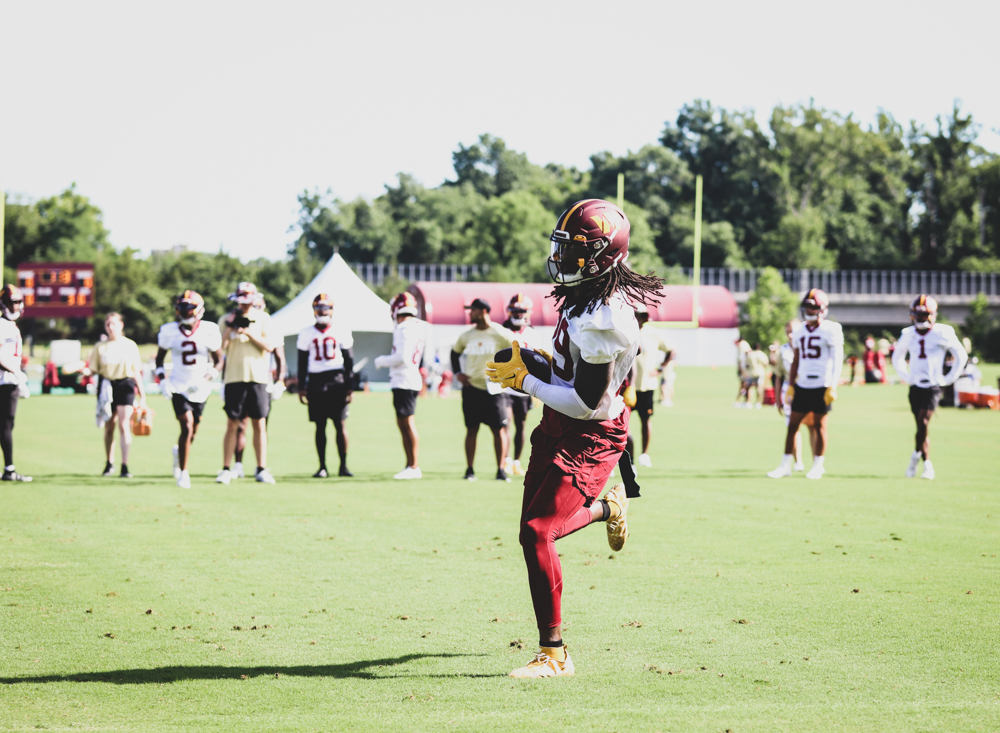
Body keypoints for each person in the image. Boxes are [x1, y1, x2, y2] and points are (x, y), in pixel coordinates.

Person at [486, 198, 660, 678]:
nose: (562, 258)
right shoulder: (586, 296)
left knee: (539, 531)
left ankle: (555, 654)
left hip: (591, 433)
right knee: (531, 533)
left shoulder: (605, 316)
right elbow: (569, 368)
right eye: (562, 246)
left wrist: (526, 382)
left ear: (604, 256)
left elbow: (585, 402)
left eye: (575, 249)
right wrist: (534, 357)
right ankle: (609, 507)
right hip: (560, 422)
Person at [767, 289, 843, 480]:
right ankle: (785, 465)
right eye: (807, 307)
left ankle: (818, 464)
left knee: (819, 426)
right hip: (802, 385)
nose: (809, 311)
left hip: (821, 384)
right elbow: (797, 360)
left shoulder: (831, 329)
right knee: (792, 425)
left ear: (822, 309)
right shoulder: (800, 330)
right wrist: (791, 384)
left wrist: (832, 385)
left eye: (813, 307)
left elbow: (837, 359)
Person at [891, 295, 968, 480]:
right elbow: (897, 357)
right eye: (917, 314)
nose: (920, 318)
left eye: (924, 314)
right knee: (920, 425)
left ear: (932, 315)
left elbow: (961, 355)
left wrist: (948, 378)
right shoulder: (908, 333)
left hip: (933, 386)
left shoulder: (943, 332)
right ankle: (922, 461)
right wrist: (906, 376)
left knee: (923, 422)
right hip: (915, 386)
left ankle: (919, 461)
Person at [155, 291, 223, 489]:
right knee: (187, 425)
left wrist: (205, 379)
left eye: (189, 308)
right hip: (178, 385)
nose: (185, 313)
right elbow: (159, 360)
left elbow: (219, 361)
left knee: (192, 431)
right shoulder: (169, 331)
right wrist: (162, 381)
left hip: (200, 387)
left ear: (199, 309)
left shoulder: (209, 330)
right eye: (182, 308)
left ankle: (179, 453)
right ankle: (184, 474)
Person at [217, 282, 276, 485]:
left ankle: (261, 468)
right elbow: (219, 349)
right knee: (232, 423)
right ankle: (226, 468)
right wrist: (230, 327)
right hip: (234, 377)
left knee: (259, 423)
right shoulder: (226, 319)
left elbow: (269, 346)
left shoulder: (263, 319)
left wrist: (250, 333)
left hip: (258, 377)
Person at [451, 298, 515, 482]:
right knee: (471, 429)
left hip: (494, 390)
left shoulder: (499, 333)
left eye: (472, 310)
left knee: (499, 430)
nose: (469, 313)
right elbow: (454, 354)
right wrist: (458, 373)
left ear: (482, 311)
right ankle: (470, 470)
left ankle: (500, 470)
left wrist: (506, 373)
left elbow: (516, 352)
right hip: (471, 389)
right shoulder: (466, 335)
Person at [297, 293, 354, 478]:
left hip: (336, 379)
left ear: (332, 310)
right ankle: (322, 466)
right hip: (316, 380)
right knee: (319, 426)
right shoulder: (306, 333)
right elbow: (302, 361)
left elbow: (349, 360)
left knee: (340, 424)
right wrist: (301, 386)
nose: (322, 311)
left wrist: (349, 385)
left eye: (326, 308)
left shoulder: (341, 330)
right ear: (314, 310)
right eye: (319, 308)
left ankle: (343, 466)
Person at [86, 312, 147, 478]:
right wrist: (81, 369)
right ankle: (109, 462)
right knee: (109, 427)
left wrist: (142, 395)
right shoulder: (100, 346)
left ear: (121, 325)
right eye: (108, 324)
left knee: (123, 424)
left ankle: (125, 465)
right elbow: (93, 369)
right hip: (106, 386)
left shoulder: (130, 345)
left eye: (113, 324)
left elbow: (136, 371)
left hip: (125, 385)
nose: (110, 327)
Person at [374, 292, 426, 480]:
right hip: (409, 379)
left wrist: (381, 361)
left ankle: (413, 466)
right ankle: (410, 465)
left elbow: (402, 357)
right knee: (403, 423)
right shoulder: (418, 327)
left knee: (407, 423)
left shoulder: (404, 328)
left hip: (404, 379)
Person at [501, 294, 543, 476]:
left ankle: (516, 461)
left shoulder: (533, 334)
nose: (518, 315)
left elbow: (539, 360)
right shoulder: (501, 331)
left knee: (521, 424)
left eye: (522, 311)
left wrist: (538, 389)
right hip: (503, 384)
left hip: (525, 385)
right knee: (506, 422)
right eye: (515, 311)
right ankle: (506, 459)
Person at [631, 302, 674, 467]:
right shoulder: (624, 331)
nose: (636, 318)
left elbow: (671, 349)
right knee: (622, 423)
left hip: (647, 384)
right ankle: (626, 459)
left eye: (638, 315)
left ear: (644, 317)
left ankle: (644, 454)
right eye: (634, 315)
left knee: (645, 420)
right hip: (628, 385)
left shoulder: (653, 333)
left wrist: (661, 368)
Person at [0, 285, 31, 482]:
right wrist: (17, 373)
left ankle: (9, 469)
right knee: (6, 425)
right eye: (13, 302)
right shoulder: (3, 325)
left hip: (8, 380)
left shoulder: (10, 326)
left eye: (19, 302)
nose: (17, 306)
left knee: (5, 425)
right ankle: (9, 469)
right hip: (5, 381)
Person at [772, 319, 811, 473]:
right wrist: (777, 399)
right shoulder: (783, 350)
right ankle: (796, 461)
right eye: (788, 331)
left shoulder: (807, 347)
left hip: (808, 387)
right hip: (790, 389)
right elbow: (778, 376)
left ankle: (817, 463)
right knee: (793, 426)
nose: (790, 334)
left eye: (793, 331)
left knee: (813, 425)